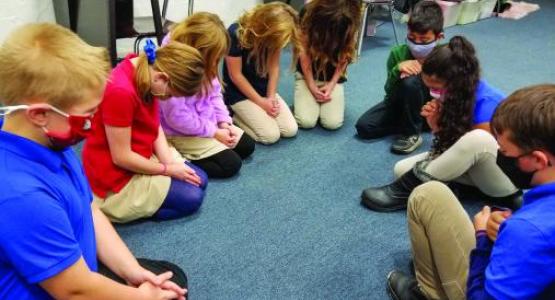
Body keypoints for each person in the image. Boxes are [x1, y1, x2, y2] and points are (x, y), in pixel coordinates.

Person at [0, 23, 187, 300]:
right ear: (40, 114)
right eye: (87, 114)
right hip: (64, 290)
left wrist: (131, 270)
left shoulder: (46, 138)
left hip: (75, 271)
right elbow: (74, 291)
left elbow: (90, 210)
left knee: (171, 277)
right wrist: (144, 297)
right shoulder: (21, 195)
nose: (91, 124)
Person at [387, 84, 555, 299]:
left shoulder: (526, 231)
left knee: (426, 196)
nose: (500, 156)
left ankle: (429, 293)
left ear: (538, 160)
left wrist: (483, 238)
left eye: (503, 150)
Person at [361, 36, 521, 212]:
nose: (433, 93)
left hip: (504, 177)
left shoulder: (487, 102)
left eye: (437, 89)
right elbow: (454, 149)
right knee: (401, 168)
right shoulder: (454, 95)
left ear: (458, 82)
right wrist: (435, 125)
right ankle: (464, 190)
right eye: (429, 87)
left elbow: (483, 152)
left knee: (479, 139)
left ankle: (401, 193)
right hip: (473, 170)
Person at [82, 38, 208, 223]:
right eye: (171, 94)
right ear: (162, 78)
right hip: (114, 175)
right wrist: (167, 169)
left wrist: (169, 163)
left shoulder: (146, 68)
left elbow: (153, 122)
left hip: (140, 152)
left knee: (200, 179)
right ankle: (109, 212)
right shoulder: (121, 91)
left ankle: (155, 198)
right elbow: (121, 157)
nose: (167, 98)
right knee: (192, 198)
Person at [159, 12, 255, 178]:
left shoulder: (204, 56)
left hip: (204, 121)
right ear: (199, 49)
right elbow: (177, 119)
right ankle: (180, 155)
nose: (215, 63)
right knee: (231, 164)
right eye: (213, 57)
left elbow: (215, 94)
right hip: (177, 130)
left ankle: (210, 145)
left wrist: (223, 122)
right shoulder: (172, 66)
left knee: (246, 145)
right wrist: (214, 132)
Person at [355, 1, 444, 154]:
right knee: (364, 127)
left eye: (423, 40)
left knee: (411, 82)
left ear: (439, 37)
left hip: (432, 107)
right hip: (402, 103)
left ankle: (411, 134)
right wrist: (397, 69)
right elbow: (389, 91)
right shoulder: (398, 53)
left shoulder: (445, 56)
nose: (416, 45)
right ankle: (412, 123)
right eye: (412, 38)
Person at [222, 2, 300, 145]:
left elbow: (274, 68)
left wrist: (270, 97)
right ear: (266, 27)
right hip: (239, 93)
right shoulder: (235, 32)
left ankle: (256, 111)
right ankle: (234, 115)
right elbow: (235, 76)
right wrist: (261, 103)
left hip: (263, 90)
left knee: (290, 130)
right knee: (270, 136)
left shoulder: (275, 36)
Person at [294, 0, 361, 130]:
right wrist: (311, 85)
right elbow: (303, 52)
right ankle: (306, 90)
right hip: (307, 74)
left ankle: (326, 92)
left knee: (332, 124)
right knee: (306, 122)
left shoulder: (351, 15)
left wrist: (332, 84)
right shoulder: (308, 12)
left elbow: (346, 54)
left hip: (333, 77)